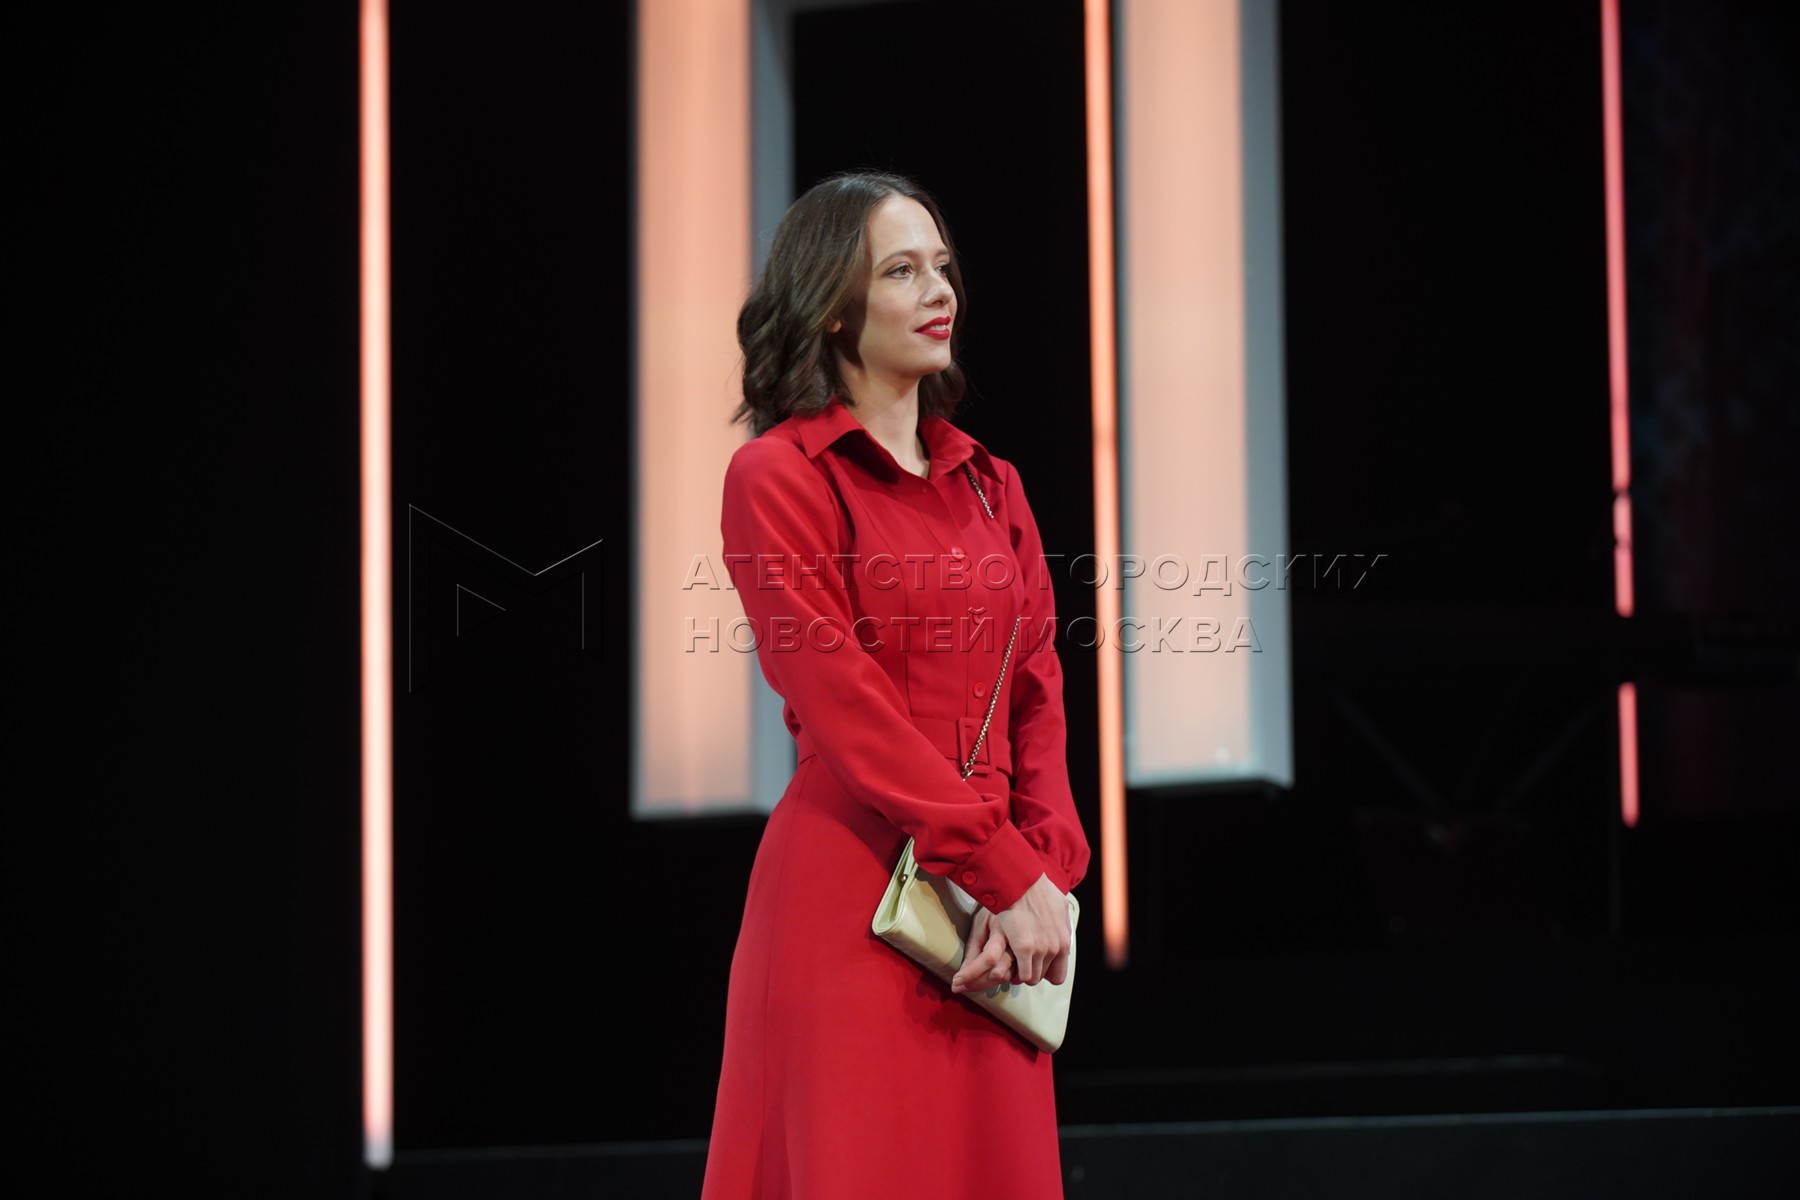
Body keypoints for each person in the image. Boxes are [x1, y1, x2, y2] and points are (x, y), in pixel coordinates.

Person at [701, 172, 1092, 1200]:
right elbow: (845, 706)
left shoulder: (992, 486)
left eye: (943, 267)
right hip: (854, 903)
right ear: (833, 305)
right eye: (902, 271)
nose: (940, 291)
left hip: (996, 930)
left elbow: (1037, 690)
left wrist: (1045, 872)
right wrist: (1002, 870)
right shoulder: (778, 477)